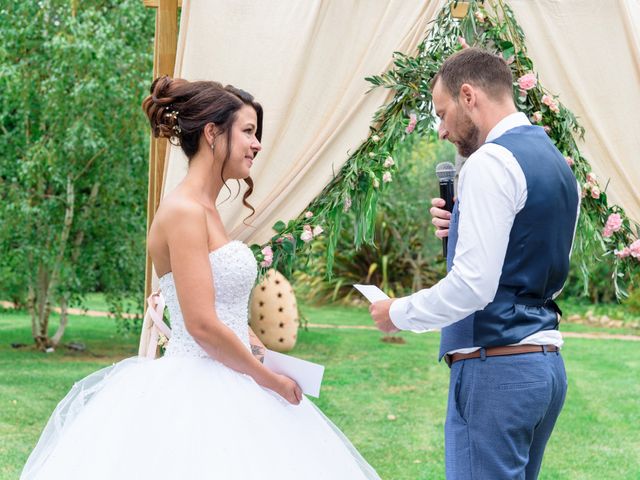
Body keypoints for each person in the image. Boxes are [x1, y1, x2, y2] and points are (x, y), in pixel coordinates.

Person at [21, 77, 380, 480]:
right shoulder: (184, 211)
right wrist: (269, 381)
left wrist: (262, 353)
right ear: (212, 133)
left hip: (235, 371)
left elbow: (222, 306)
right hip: (198, 385)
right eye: (248, 132)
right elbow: (202, 324)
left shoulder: (206, 209)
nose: (257, 144)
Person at [369, 48, 580, 479]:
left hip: (496, 372)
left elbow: (473, 287)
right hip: (543, 368)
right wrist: (461, 229)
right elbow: (531, 256)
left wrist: (398, 313)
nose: (443, 130)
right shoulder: (559, 165)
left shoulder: (489, 161)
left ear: (469, 96)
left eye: (442, 113)